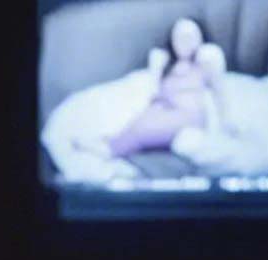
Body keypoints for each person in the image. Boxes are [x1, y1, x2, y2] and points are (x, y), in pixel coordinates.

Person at [75, 17, 234, 162]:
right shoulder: (165, 64)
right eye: (179, 37)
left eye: (190, 36)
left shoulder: (205, 62)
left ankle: (111, 150)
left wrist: (226, 123)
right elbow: (154, 92)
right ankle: (111, 142)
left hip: (188, 118)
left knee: (142, 130)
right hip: (162, 110)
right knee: (138, 122)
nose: (184, 41)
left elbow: (220, 93)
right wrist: (157, 67)